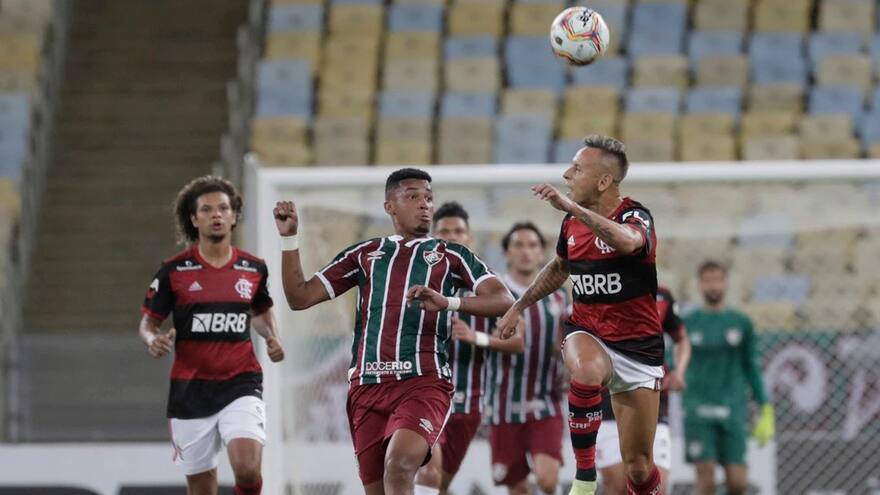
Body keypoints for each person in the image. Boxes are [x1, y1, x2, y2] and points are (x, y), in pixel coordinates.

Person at [272, 168, 515, 495]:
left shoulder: (452, 255)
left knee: (400, 465)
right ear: (389, 206)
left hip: (423, 382)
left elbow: (503, 300)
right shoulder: (364, 254)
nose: (425, 205)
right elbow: (299, 297)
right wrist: (289, 239)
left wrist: (449, 302)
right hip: (367, 386)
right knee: (379, 489)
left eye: (428, 197)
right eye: (413, 196)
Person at [496, 135, 665, 495]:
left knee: (637, 467)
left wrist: (574, 209)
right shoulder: (571, 225)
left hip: (639, 349)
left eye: (577, 168)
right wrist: (518, 305)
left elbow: (628, 242)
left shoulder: (636, 216)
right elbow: (559, 267)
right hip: (589, 332)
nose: (567, 174)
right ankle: (585, 478)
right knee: (586, 369)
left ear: (604, 181)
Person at [139, 175, 285, 495]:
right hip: (190, 391)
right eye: (207, 209)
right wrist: (154, 340)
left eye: (223, 208)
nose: (216, 215)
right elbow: (148, 323)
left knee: (247, 469)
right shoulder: (174, 271)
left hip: (240, 382)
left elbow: (260, 313)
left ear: (234, 216)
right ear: (194, 218)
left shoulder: (253, 268)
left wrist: (271, 336)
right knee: (202, 487)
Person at [415, 202, 525, 495]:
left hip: (468, 404)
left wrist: (477, 338)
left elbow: (517, 341)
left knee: (440, 484)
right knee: (428, 473)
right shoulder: (417, 283)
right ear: (432, 238)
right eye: (444, 231)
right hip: (424, 396)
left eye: (458, 231)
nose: (451, 237)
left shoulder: (487, 287)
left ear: (469, 238)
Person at [484, 222, 567, 495]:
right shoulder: (493, 294)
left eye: (532, 245)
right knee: (517, 487)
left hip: (546, 401)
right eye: (518, 245)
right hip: (504, 403)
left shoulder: (559, 297)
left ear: (542, 253)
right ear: (506, 253)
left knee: (547, 479)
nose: (525, 252)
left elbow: (565, 343)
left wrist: (569, 362)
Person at [683, 260, 774, 495]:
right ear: (699, 285)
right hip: (697, 408)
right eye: (707, 280)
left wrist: (764, 406)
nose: (713, 286)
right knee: (706, 476)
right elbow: (675, 362)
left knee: (738, 482)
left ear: (726, 283)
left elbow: (751, 367)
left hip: (732, 408)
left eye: (717, 280)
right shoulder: (688, 323)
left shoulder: (741, 323)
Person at [596, 286, 692, 495]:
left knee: (657, 489)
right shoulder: (598, 286)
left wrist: (679, 372)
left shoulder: (662, 295)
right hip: (610, 402)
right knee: (616, 487)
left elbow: (681, 339)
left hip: (653, 401)